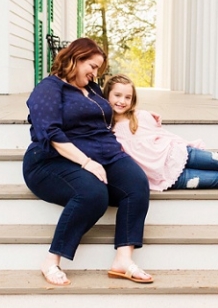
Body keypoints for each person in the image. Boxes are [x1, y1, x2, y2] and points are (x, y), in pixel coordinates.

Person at [23, 39, 153, 286]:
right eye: (92, 66)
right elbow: (50, 134)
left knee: (136, 183)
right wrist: (87, 163)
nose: (95, 73)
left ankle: (123, 259)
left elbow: (110, 112)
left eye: (98, 70)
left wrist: (142, 117)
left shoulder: (91, 88)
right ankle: (52, 260)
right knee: (94, 194)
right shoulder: (49, 88)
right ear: (76, 58)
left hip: (104, 154)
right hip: (52, 161)